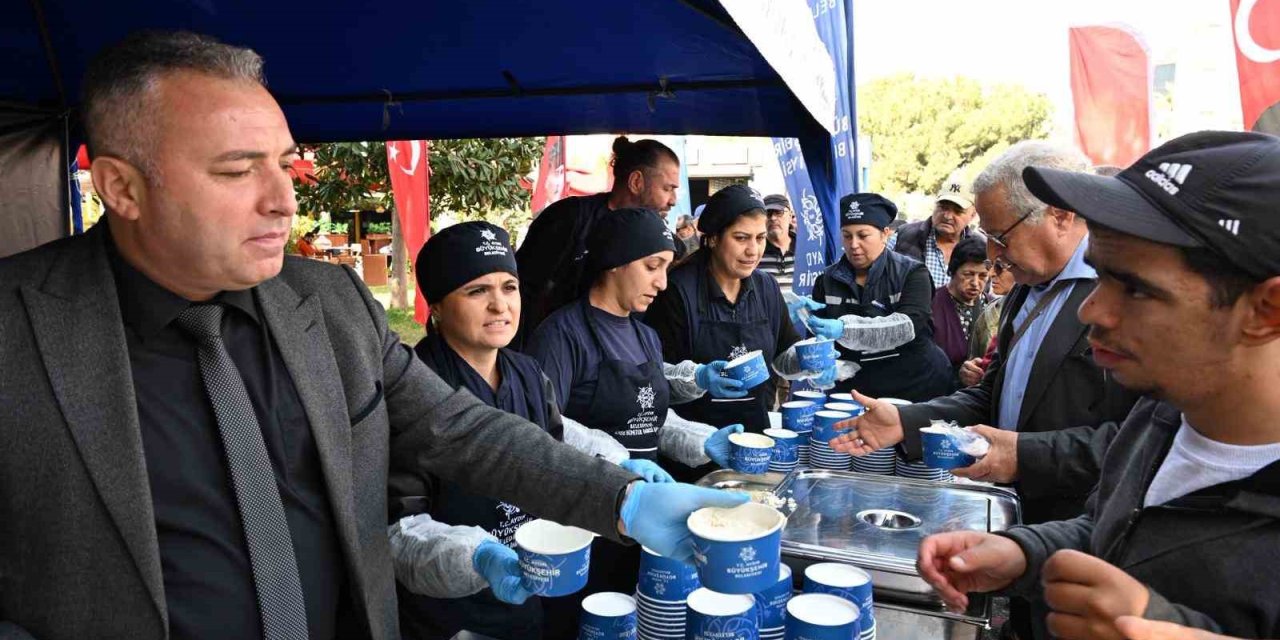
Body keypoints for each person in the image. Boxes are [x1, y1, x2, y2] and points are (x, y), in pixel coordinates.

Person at [0, 31, 746, 640]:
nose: (282, 200)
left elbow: (461, 430)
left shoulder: (326, 303)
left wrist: (619, 499)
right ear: (121, 187)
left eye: (286, 165)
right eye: (236, 172)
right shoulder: (18, 329)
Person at [911, 131, 1280, 640]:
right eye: (1102, 276)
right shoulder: (1160, 417)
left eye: (1136, 288)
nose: (1092, 310)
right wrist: (1023, 553)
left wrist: (1168, 629)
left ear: (1266, 311)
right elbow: (1111, 528)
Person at [830, 141, 1139, 640]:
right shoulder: (1026, 289)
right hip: (1019, 536)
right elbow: (990, 394)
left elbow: (1138, 443)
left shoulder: (1121, 294)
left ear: (1059, 214)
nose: (993, 256)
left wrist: (1027, 455)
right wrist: (906, 420)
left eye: (1000, 237)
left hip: (1088, 547)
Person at [389, 221, 641, 640]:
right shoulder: (414, 389)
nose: (499, 306)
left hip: (527, 599)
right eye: (476, 291)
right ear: (435, 305)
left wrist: (619, 464)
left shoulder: (527, 372)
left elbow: (555, 441)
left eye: (509, 287)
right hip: (448, 617)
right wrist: (478, 558)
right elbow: (401, 529)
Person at [525, 208, 744, 637]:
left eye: (665, 268)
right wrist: (617, 463)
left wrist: (703, 442)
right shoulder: (561, 336)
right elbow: (539, 431)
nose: (662, 283)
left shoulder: (644, 334)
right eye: (652, 267)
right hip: (580, 523)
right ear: (613, 263)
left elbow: (649, 418)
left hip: (642, 523)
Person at [645, 185, 823, 437]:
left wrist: (811, 356)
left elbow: (784, 353)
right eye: (741, 238)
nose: (753, 250)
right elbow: (655, 377)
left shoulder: (766, 287)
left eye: (760, 238)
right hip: (695, 442)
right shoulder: (676, 291)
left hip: (754, 439)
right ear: (714, 238)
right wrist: (698, 378)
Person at [515, 136, 680, 347]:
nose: (673, 200)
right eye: (667, 188)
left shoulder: (659, 235)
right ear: (636, 182)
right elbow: (526, 289)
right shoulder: (569, 218)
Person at [809, 193, 956, 403]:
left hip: (916, 385)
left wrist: (845, 329)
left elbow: (906, 327)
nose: (854, 244)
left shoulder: (912, 273)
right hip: (856, 389)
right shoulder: (827, 280)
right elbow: (819, 341)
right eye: (847, 235)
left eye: (863, 235)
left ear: (885, 234)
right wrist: (820, 362)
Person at [891, 172, 986, 288]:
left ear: (972, 215)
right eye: (943, 207)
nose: (947, 216)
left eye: (957, 211)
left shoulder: (982, 247)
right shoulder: (903, 236)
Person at [932, 235, 992, 380]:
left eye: (983, 276)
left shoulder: (993, 308)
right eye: (968, 274)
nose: (975, 283)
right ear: (953, 270)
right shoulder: (931, 304)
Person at [960, 255, 1017, 386]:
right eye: (989, 265)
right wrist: (969, 372)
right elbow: (974, 360)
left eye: (1000, 266)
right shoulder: (989, 312)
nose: (991, 273)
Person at [758, 193, 797, 295]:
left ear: (790, 216)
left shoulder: (805, 249)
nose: (773, 218)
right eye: (768, 213)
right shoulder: (755, 252)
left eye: (779, 212)